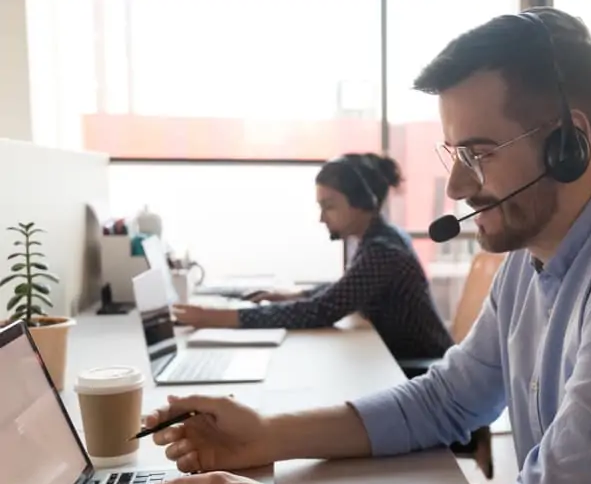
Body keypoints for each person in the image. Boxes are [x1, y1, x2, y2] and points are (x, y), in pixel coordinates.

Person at [114, 8, 591, 484]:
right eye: (455, 155)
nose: (455, 186)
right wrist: (271, 432)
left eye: (479, 154)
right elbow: (448, 399)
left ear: (570, 143)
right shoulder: (533, 258)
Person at [172, 152, 453, 362]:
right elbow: (348, 288)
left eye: (329, 206)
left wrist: (219, 318)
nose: (321, 218)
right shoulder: (378, 238)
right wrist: (297, 293)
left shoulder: (382, 251)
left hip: (422, 370)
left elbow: (322, 311)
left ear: (361, 203)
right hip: (401, 361)